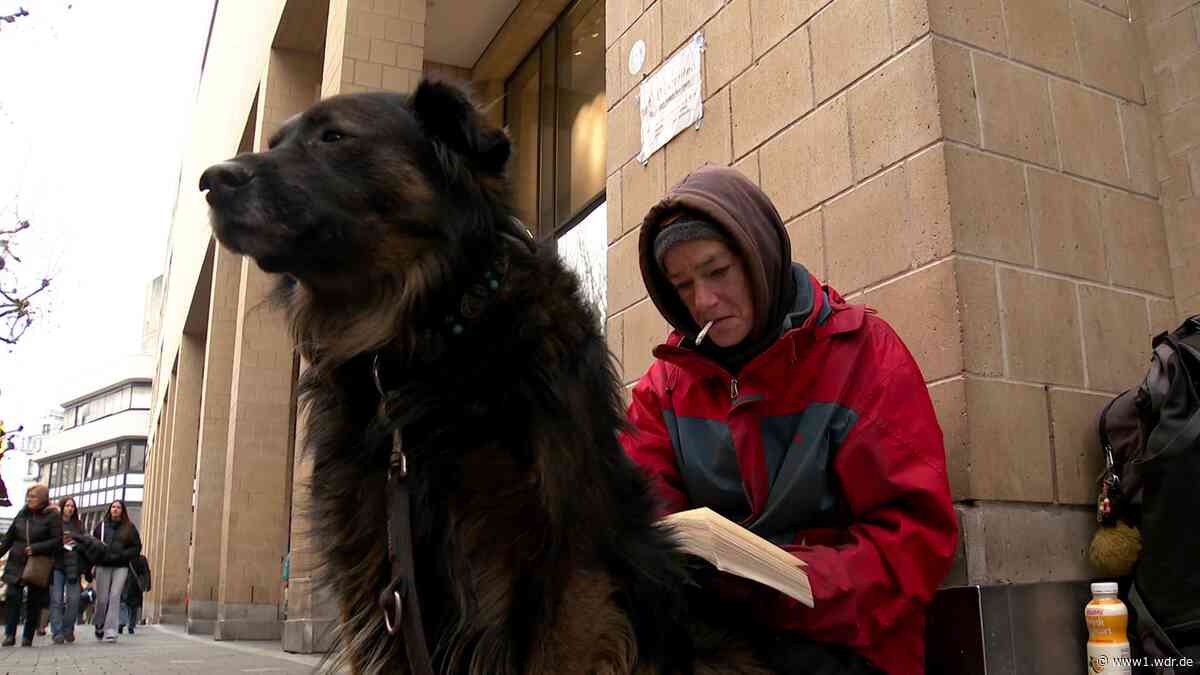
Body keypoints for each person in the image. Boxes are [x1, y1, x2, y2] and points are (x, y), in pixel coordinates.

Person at [620, 166, 958, 675]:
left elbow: (914, 542)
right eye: (683, 285)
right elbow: (638, 511)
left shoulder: (864, 357)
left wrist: (789, 584)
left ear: (759, 259)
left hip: (850, 640)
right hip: (718, 636)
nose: (703, 301)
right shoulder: (664, 389)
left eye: (717, 272)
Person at [0, 485, 62, 647]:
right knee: (13, 597)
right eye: (28, 496)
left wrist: (36, 548)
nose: (29, 499)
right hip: (17, 561)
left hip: (38, 564)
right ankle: (9, 634)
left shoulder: (52, 516)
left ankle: (28, 636)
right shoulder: (22, 513)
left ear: (42, 498)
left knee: (34, 601)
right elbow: (9, 538)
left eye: (33, 496)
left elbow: (57, 541)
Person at [90, 499, 141, 642]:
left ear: (122, 511)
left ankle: (111, 630)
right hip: (103, 565)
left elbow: (136, 547)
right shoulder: (101, 526)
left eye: (118, 507)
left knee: (115, 596)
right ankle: (99, 624)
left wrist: (123, 555)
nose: (115, 509)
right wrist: (94, 562)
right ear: (110, 509)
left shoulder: (129, 528)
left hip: (121, 566)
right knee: (102, 599)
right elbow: (92, 545)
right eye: (113, 507)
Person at [49, 496, 85, 644]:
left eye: (72, 506)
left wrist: (76, 541)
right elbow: (48, 542)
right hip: (57, 565)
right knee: (56, 600)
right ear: (62, 507)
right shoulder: (54, 523)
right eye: (68, 506)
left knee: (74, 600)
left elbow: (85, 542)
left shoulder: (78, 524)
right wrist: (60, 542)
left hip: (74, 567)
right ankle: (57, 632)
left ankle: (68, 629)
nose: (70, 508)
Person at [119, 554, 149, 634]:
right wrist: (147, 585)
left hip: (126, 584)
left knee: (124, 604)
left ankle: (122, 623)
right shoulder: (142, 559)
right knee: (134, 607)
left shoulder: (126, 557)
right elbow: (146, 572)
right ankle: (131, 626)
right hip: (137, 586)